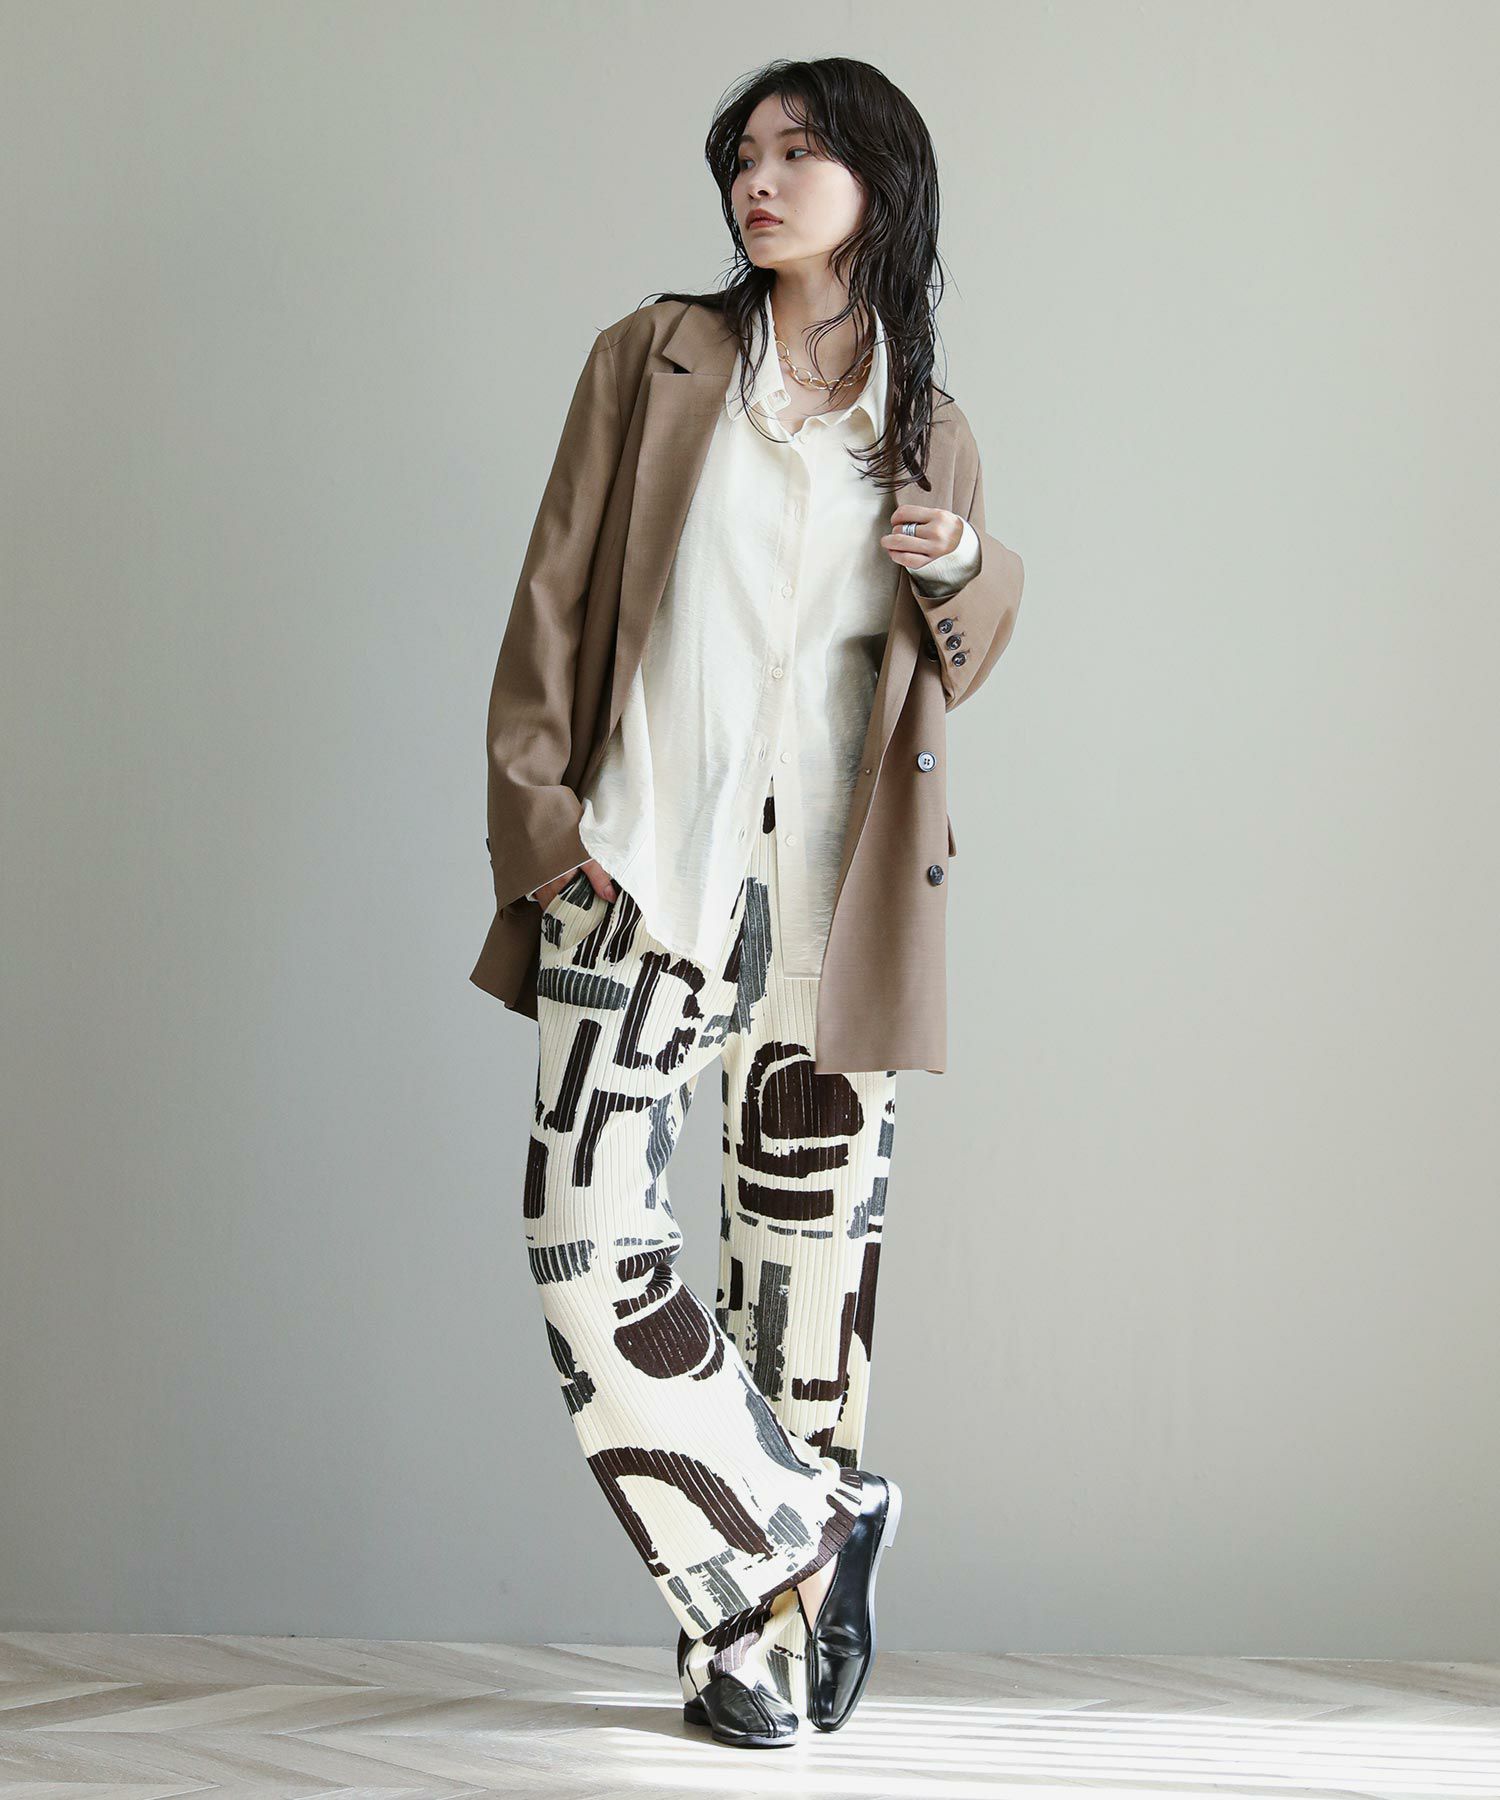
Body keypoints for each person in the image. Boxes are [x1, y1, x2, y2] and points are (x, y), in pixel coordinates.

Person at [474, 57, 1025, 1749]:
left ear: (881, 181)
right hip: (641, 871)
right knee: (586, 1244)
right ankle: (818, 1523)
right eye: (745, 154)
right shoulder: (656, 359)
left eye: (800, 150)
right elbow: (553, 598)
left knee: (804, 1283)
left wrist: (963, 564)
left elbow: (964, 650)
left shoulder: (927, 427)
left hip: (832, 911)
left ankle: (751, 1654)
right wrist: (540, 825)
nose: (758, 180)